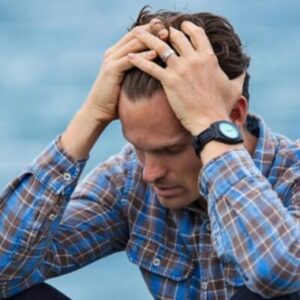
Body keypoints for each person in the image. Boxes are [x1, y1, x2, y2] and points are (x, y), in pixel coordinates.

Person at [1, 7, 300, 300]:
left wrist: (213, 128)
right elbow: (5, 272)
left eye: (171, 149)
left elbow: (277, 270)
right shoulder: (130, 181)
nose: (150, 173)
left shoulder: (293, 174)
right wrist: (90, 116)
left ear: (235, 115)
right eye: (138, 148)